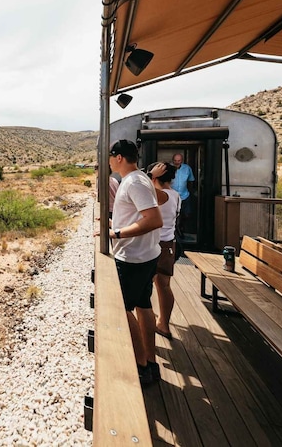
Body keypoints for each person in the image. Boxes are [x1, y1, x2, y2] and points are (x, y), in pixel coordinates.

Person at [107, 140, 163, 386]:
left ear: (119, 157)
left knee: (122, 309)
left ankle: (140, 366)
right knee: (143, 305)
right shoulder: (138, 180)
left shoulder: (134, 181)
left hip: (133, 258)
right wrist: (113, 226)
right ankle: (150, 361)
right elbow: (144, 211)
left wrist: (116, 234)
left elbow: (154, 220)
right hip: (146, 255)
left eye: (110, 157)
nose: (108, 161)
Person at [147, 162, 181, 339]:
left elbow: (141, 189)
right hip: (168, 245)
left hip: (154, 245)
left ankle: (148, 324)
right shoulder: (175, 195)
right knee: (164, 286)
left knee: (144, 286)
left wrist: (149, 175)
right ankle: (164, 324)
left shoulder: (162, 195)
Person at [171, 153, 195, 237]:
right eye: (175, 161)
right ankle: (175, 231)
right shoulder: (169, 168)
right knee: (174, 215)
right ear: (172, 160)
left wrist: (191, 193)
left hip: (185, 195)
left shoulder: (187, 168)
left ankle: (181, 227)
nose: (177, 162)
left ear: (182, 160)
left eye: (179, 161)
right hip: (172, 196)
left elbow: (191, 181)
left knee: (186, 214)